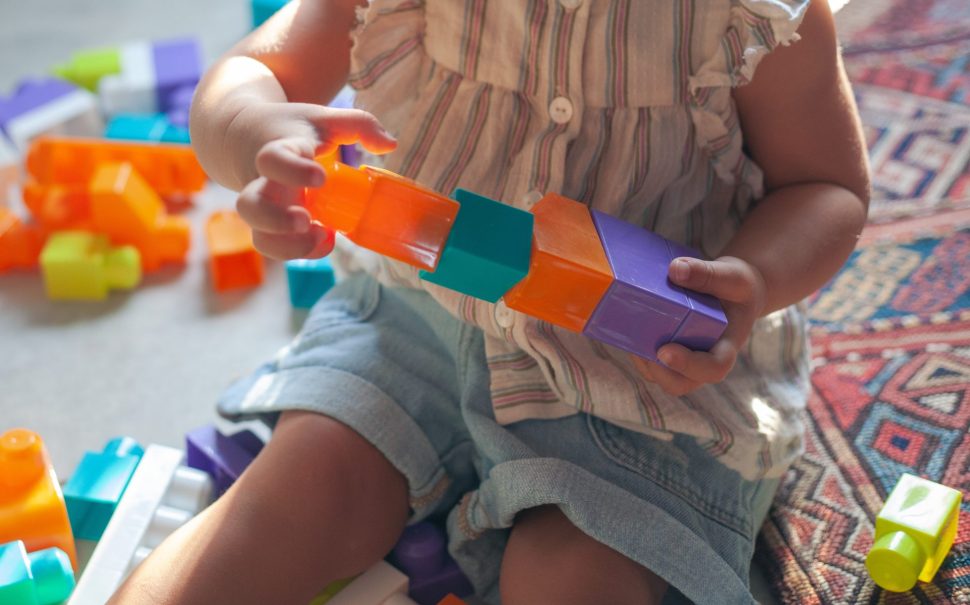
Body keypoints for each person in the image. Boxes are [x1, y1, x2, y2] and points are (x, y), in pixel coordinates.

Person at [109, 0, 869, 603]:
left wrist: (755, 278)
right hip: (417, 317)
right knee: (290, 504)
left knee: (575, 576)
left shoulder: (752, 15)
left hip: (639, 369)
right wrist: (254, 129)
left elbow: (826, 187)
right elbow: (248, 75)